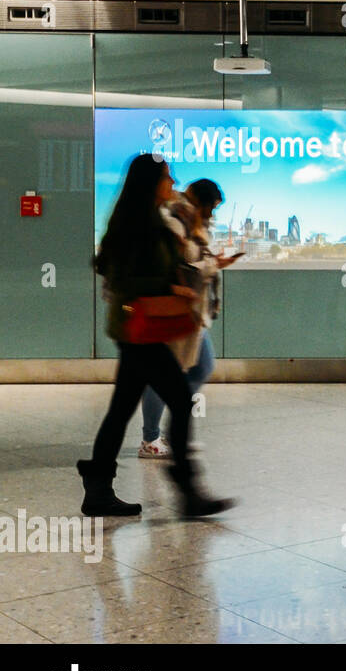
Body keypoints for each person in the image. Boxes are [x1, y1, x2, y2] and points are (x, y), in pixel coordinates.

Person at [80, 154, 234, 518]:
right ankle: (187, 491)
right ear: (151, 184)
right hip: (140, 329)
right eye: (167, 177)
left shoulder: (146, 220)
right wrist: (170, 287)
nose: (173, 182)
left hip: (135, 329)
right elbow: (123, 278)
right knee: (180, 400)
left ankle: (98, 485)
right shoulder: (140, 225)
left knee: (121, 410)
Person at [137, 179, 240, 459]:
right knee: (164, 376)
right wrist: (212, 264)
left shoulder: (189, 219)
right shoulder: (176, 220)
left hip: (193, 313)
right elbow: (181, 267)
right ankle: (151, 439)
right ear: (202, 202)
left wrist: (212, 261)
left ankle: (173, 434)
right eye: (212, 207)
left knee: (201, 367)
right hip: (176, 310)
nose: (212, 214)